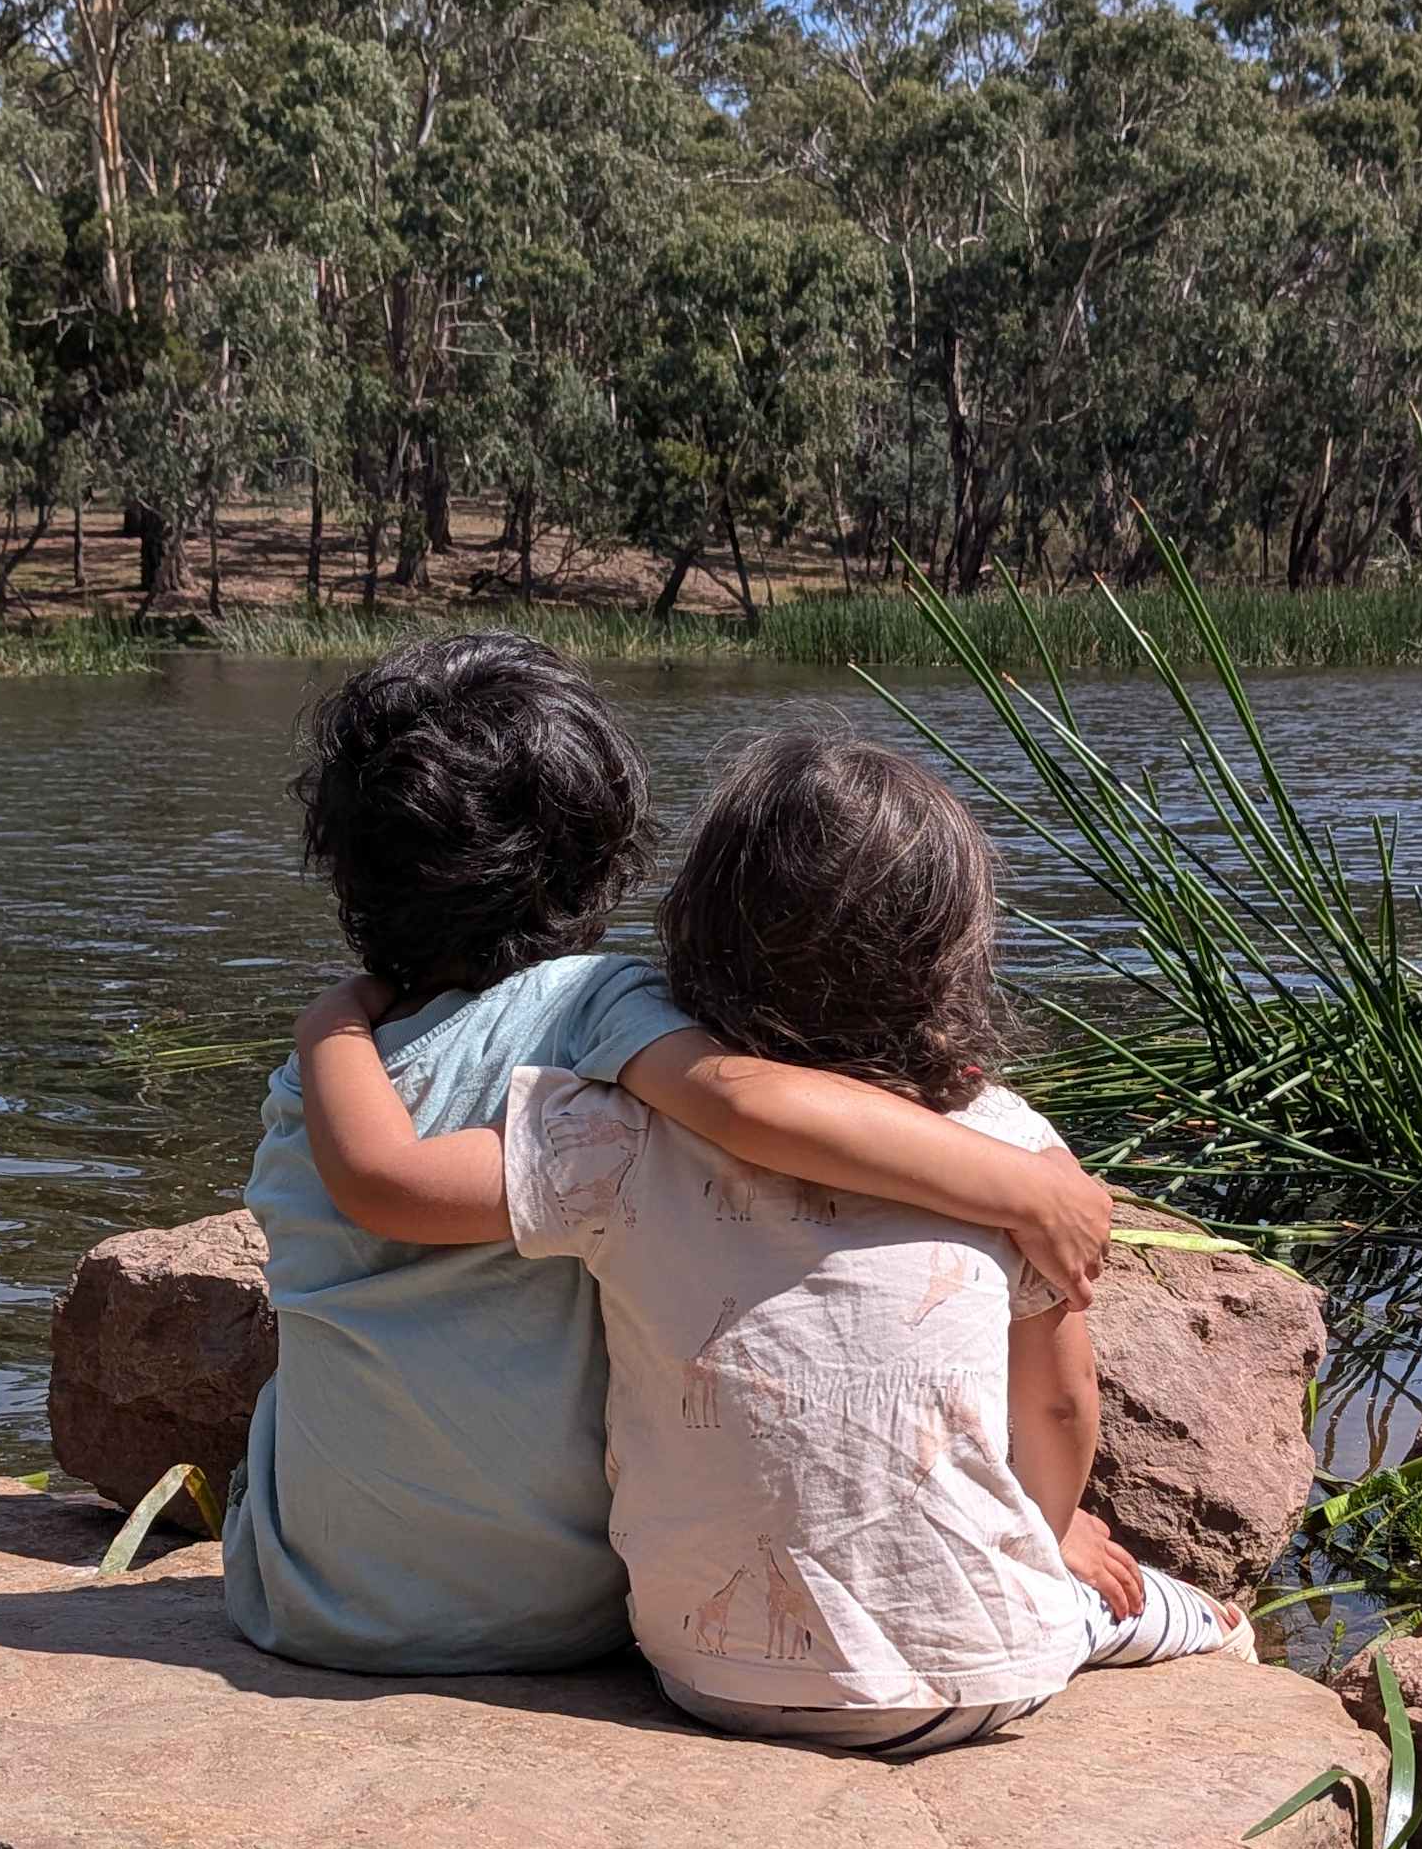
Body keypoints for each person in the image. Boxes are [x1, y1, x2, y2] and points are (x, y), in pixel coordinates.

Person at [294, 729, 1251, 1751]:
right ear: (952, 950)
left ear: (698, 929)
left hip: (708, 1671)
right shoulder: (1015, 1155)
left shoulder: (615, 1134)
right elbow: (1058, 1405)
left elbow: (391, 1187)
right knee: (1158, 1606)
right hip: (988, 1674)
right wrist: (1052, 1531)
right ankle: (1210, 1642)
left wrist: (330, 1027)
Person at [221, 638, 1117, 1675]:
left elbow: (381, 1185)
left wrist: (326, 1024)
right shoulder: (604, 1006)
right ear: (599, 856)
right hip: (577, 1610)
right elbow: (748, 1104)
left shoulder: (315, 1085)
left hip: (311, 1604)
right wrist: (1020, 1185)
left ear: (352, 871)